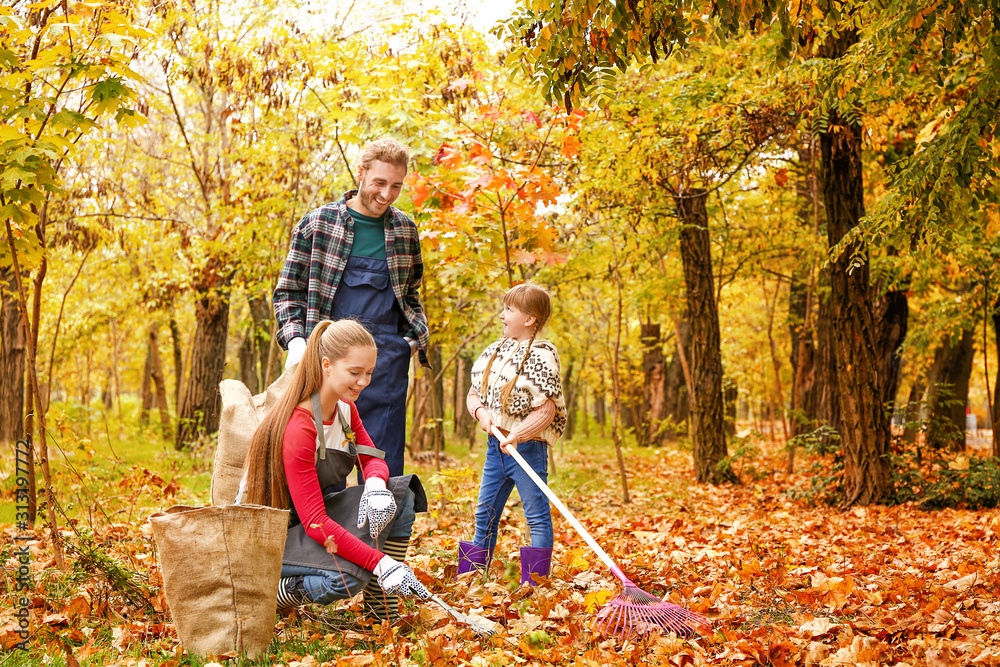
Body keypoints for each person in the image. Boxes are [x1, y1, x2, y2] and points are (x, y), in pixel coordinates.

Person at [239, 319, 430, 622]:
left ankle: (381, 610)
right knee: (350, 575)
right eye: (355, 373)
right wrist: (382, 564)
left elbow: (371, 458)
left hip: (314, 522)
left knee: (402, 496)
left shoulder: (344, 408)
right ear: (326, 365)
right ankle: (270, 593)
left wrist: (376, 486)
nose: (363, 382)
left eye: (369, 373)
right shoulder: (300, 427)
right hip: (278, 536)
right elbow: (315, 523)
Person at [273, 136, 430, 478]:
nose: (387, 195)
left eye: (396, 186)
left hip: (385, 361)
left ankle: (385, 530)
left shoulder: (405, 231)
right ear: (360, 173)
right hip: (324, 361)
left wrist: (410, 341)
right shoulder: (318, 224)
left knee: (381, 454)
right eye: (379, 183)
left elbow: (411, 294)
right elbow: (287, 292)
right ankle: (312, 529)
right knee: (316, 453)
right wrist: (297, 342)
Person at [458, 283, 567, 586]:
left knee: (536, 515)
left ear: (530, 318)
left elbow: (546, 410)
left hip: (527, 449)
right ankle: (471, 576)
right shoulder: (495, 353)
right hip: (496, 448)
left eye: (509, 310)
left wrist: (517, 433)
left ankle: (535, 583)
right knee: (485, 513)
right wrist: (481, 414)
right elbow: (474, 395)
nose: (502, 315)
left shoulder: (542, 357)